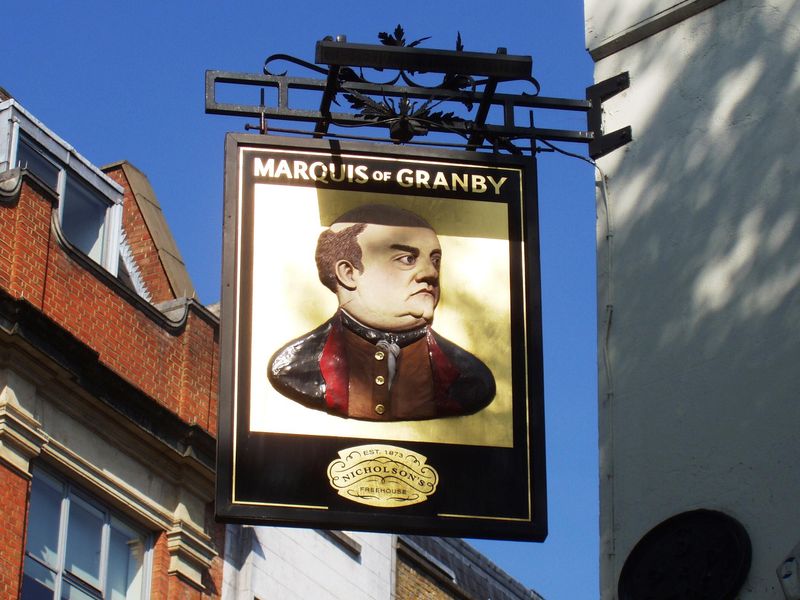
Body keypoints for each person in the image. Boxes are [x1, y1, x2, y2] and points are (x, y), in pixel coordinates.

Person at [268, 204, 495, 421]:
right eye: (407, 259)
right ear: (348, 273)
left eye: (435, 260)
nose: (430, 273)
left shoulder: (469, 378)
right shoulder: (295, 367)